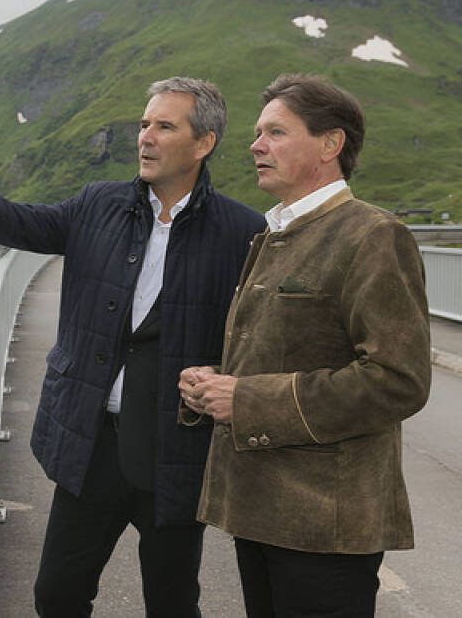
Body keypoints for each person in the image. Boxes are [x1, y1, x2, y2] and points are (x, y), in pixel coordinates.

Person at [0, 76, 265, 617]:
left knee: (172, 601)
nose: (146, 137)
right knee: (57, 594)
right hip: (92, 445)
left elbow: (257, 333)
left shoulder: (241, 231)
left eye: (164, 126)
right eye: (144, 124)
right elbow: (14, 221)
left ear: (203, 143)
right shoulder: (98, 204)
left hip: (177, 452)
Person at [179, 73, 431, 617]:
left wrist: (246, 400)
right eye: (257, 133)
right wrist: (214, 385)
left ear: (329, 144)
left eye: (275, 132)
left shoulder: (371, 235)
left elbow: (398, 379)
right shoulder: (273, 235)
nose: (255, 146)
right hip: (262, 510)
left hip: (326, 524)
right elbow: (285, 353)